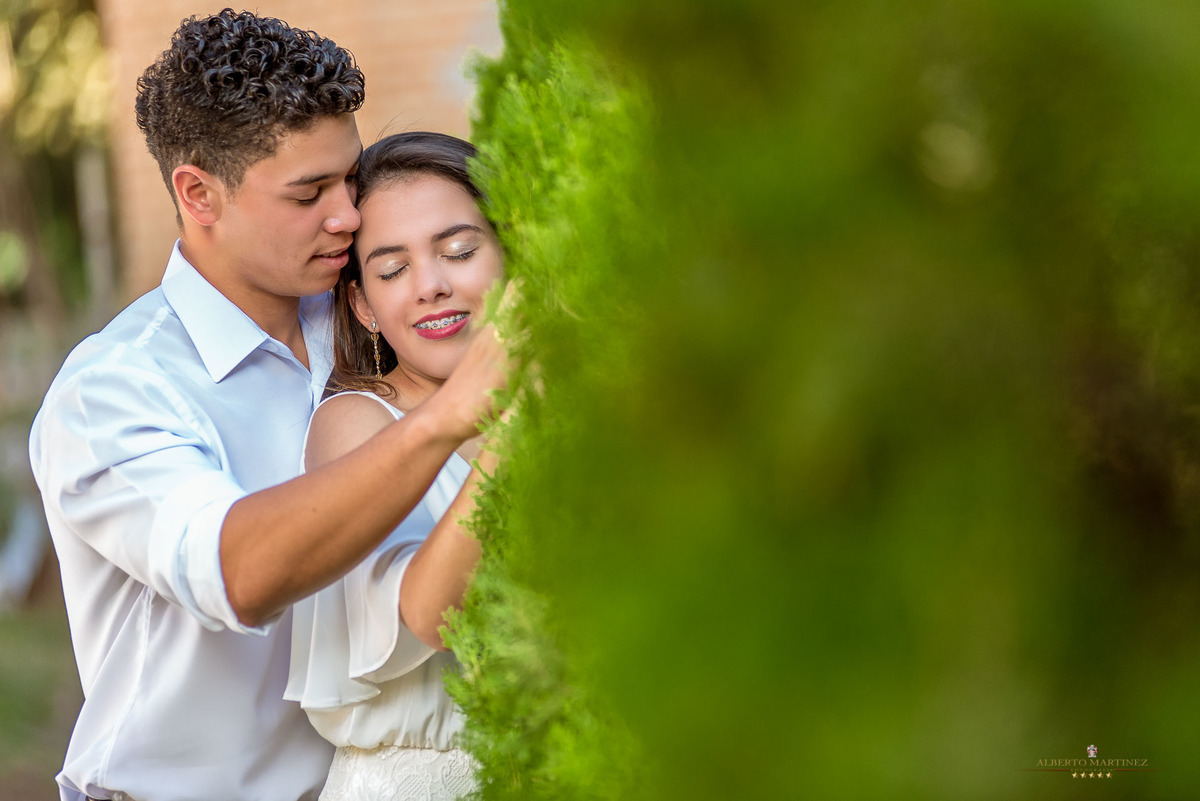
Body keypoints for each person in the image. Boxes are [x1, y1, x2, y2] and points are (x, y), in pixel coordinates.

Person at [28, 12, 505, 801]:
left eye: (349, 180)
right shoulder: (113, 389)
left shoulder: (370, 313)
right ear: (198, 194)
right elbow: (238, 570)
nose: (348, 216)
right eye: (308, 192)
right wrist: (455, 417)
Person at [285, 132, 504, 801]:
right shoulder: (354, 422)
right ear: (361, 306)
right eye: (391, 270)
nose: (432, 286)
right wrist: (517, 426)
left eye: (459, 251)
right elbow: (429, 611)